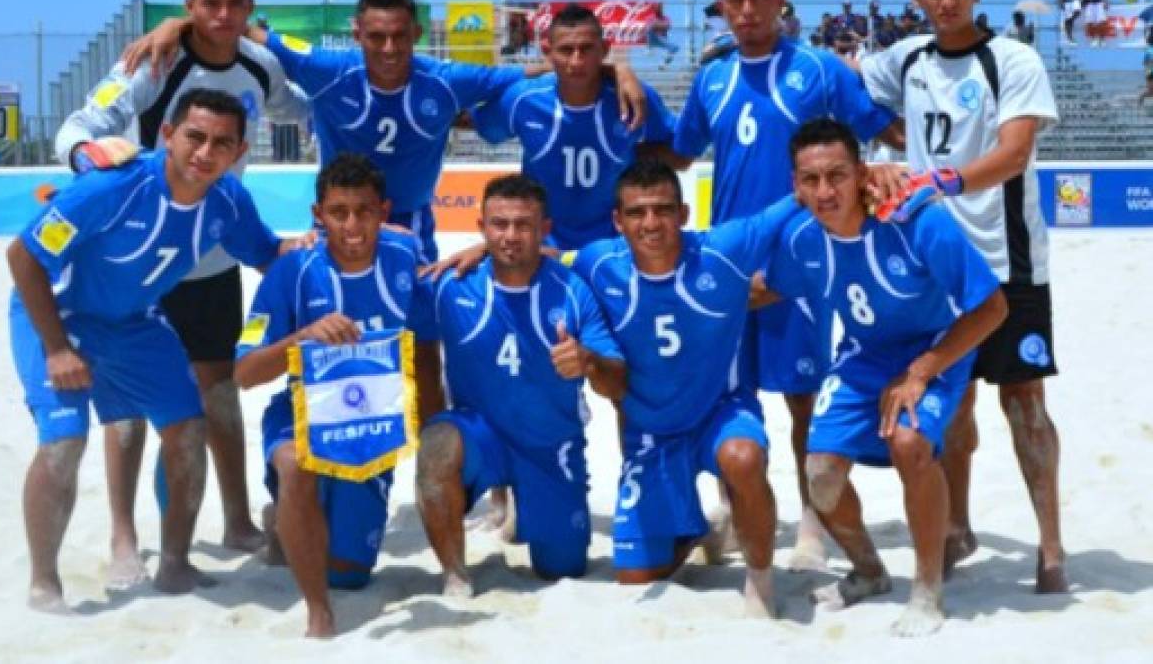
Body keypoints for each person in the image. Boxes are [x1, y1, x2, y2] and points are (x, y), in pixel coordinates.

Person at [54, 0, 309, 582]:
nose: (222, 17)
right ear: (189, 6)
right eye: (209, 4)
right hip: (137, 266)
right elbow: (80, 126)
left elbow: (306, 109)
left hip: (213, 261)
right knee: (128, 407)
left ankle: (239, 519)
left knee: (219, 393)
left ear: (251, 9)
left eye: (235, 5)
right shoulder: (154, 60)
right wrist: (97, 169)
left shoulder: (260, 64)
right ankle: (123, 538)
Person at [125, 0, 648, 264]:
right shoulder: (326, 70)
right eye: (377, 37)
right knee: (321, 332)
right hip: (337, 219)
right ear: (357, 35)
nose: (389, 48)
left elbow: (532, 71)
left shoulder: (444, 79)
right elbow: (245, 30)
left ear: (417, 33)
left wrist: (611, 64)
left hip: (415, 221)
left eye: (400, 36)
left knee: (421, 344)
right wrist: (178, 23)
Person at [7, 89, 288, 611]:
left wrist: (339, 245)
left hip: (133, 321)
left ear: (239, 151)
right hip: (57, 313)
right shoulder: (113, 187)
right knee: (65, 440)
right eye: (195, 137)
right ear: (168, 135)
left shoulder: (229, 201)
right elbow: (23, 256)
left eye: (222, 143)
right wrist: (56, 349)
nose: (205, 152)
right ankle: (44, 581)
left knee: (188, 427)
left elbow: (271, 255)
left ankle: (175, 566)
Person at [671, 0, 898, 569]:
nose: (746, 11)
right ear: (722, 6)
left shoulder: (820, 70)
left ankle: (811, 526)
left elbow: (887, 130)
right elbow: (677, 152)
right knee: (726, 397)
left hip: (801, 262)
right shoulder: (710, 77)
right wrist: (620, 81)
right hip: (729, 267)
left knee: (803, 397)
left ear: (780, 0)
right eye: (734, 0)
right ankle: (739, 518)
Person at [859, 0, 1067, 593]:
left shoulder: (1013, 59)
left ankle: (1051, 547)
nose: (945, 2)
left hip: (1009, 258)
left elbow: (1011, 155)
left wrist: (936, 180)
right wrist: (887, 151)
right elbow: (841, 86)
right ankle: (957, 527)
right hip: (934, 263)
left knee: (1023, 402)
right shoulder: (905, 58)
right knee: (953, 404)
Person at [764, 118, 1006, 636]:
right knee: (821, 474)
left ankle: (927, 590)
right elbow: (766, 288)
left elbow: (992, 308)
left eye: (837, 176)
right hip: (861, 356)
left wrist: (923, 370)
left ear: (861, 173)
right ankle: (869, 571)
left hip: (932, 350)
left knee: (910, 442)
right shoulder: (803, 239)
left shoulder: (918, 221)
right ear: (795, 185)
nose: (825, 191)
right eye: (811, 180)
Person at [572, 160, 800, 617]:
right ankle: (689, 530)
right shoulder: (596, 263)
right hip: (651, 429)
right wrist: (482, 249)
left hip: (721, 410)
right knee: (634, 577)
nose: (651, 223)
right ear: (618, 221)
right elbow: (532, 260)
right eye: (637, 213)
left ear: (684, 213)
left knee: (743, 457)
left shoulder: (723, 249)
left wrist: (865, 177)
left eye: (663, 210)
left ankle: (760, 579)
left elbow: (793, 205)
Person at [234, 153, 442, 638]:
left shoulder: (405, 261)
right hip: (299, 418)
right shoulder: (290, 273)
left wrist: (431, 427)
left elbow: (429, 348)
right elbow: (244, 373)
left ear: (384, 211)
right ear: (318, 215)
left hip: (371, 428)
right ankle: (317, 612)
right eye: (339, 212)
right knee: (297, 465)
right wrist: (302, 337)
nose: (352, 225)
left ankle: (284, 527)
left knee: (349, 573)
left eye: (365, 211)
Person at [413, 175, 626, 596]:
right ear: (481, 227)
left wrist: (588, 362)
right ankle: (455, 574)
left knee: (562, 569)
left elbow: (617, 382)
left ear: (544, 229)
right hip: (480, 436)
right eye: (499, 224)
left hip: (550, 446)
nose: (510, 236)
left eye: (523, 225)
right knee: (436, 445)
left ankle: (536, 514)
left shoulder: (573, 289)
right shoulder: (449, 286)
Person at [472, 3, 680, 251]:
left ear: (604, 49)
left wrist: (629, 156)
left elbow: (680, 154)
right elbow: (477, 122)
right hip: (542, 251)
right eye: (566, 50)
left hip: (614, 249)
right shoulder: (523, 100)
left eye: (586, 49)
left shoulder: (634, 96)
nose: (576, 60)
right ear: (548, 52)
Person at [1139, 29, 1153, 108]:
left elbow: (1144, 62)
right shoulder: (1149, 50)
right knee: (1151, 92)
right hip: (1150, 72)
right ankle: (1140, 100)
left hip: (1149, 71)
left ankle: (1140, 99)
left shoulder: (1149, 49)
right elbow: (1145, 62)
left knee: (1151, 92)